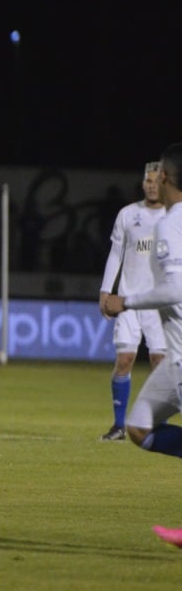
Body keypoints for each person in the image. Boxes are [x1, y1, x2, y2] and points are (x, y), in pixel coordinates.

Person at [99, 144, 182, 549]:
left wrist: (125, 301)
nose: (155, 181)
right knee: (139, 427)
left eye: (159, 174)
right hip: (175, 357)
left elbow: (176, 287)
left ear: (165, 178)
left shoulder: (169, 225)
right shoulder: (145, 219)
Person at [96, 162, 166, 440]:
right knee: (124, 359)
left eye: (155, 180)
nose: (150, 184)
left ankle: (156, 422)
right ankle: (118, 426)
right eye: (147, 180)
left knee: (161, 363)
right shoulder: (128, 214)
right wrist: (105, 291)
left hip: (162, 304)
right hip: (127, 301)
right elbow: (116, 254)